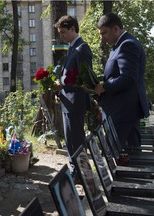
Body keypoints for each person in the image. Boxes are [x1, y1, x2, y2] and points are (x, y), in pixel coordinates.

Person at [95, 13, 150, 150]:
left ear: (116, 29)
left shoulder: (127, 44)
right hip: (122, 111)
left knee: (120, 159)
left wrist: (104, 87)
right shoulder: (119, 45)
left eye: (104, 33)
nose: (102, 38)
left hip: (123, 113)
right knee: (128, 159)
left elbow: (128, 78)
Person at [54, 15, 94, 170]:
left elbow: (85, 77)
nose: (61, 36)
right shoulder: (72, 47)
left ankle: (82, 173)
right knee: (70, 141)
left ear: (72, 29)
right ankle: (75, 171)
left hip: (75, 101)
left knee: (76, 141)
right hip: (68, 100)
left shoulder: (82, 48)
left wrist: (63, 84)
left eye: (63, 32)